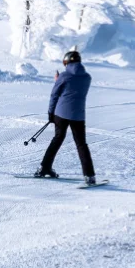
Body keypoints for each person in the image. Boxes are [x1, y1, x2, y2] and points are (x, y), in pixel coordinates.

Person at [35, 49, 95, 183]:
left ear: (66, 62)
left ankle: (44, 168)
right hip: (78, 116)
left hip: (61, 114)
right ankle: (89, 176)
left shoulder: (63, 76)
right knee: (81, 145)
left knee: (57, 139)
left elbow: (55, 95)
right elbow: (75, 89)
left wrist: (50, 113)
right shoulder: (87, 77)